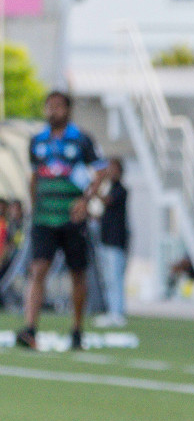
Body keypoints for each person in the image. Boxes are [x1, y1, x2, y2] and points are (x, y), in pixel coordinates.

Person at [18, 90, 107, 350]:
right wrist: (33, 206)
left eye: (58, 106)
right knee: (38, 270)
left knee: (77, 273)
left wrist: (85, 201)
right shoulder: (37, 141)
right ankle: (30, 328)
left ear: (68, 110)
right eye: (49, 106)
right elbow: (34, 176)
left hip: (72, 218)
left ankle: (77, 330)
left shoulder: (81, 139)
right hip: (44, 217)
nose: (52, 111)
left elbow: (101, 171)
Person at [93, 158, 130, 328]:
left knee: (115, 277)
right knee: (108, 278)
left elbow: (108, 201)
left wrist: (95, 188)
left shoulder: (121, 190)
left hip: (116, 240)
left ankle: (118, 313)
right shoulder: (111, 189)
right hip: (106, 239)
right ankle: (112, 311)